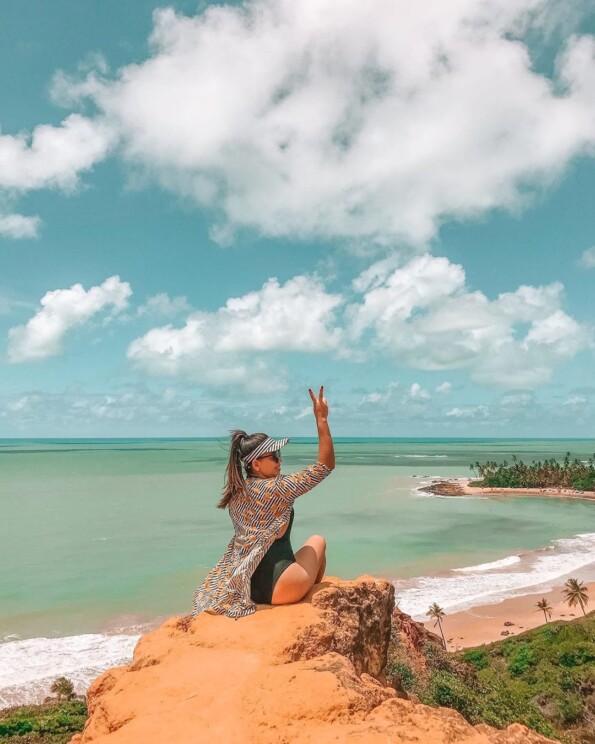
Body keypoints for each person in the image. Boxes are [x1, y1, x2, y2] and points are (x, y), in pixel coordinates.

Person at [192, 386, 335, 619]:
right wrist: (321, 419)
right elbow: (325, 466)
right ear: (256, 464)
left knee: (304, 549)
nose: (280, 461)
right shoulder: (277, 488)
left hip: (249, 590)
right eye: (274, 457)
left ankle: (303, 585)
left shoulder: (237, 493)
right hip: (281, 587)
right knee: (318, 541)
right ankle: (309, 593)